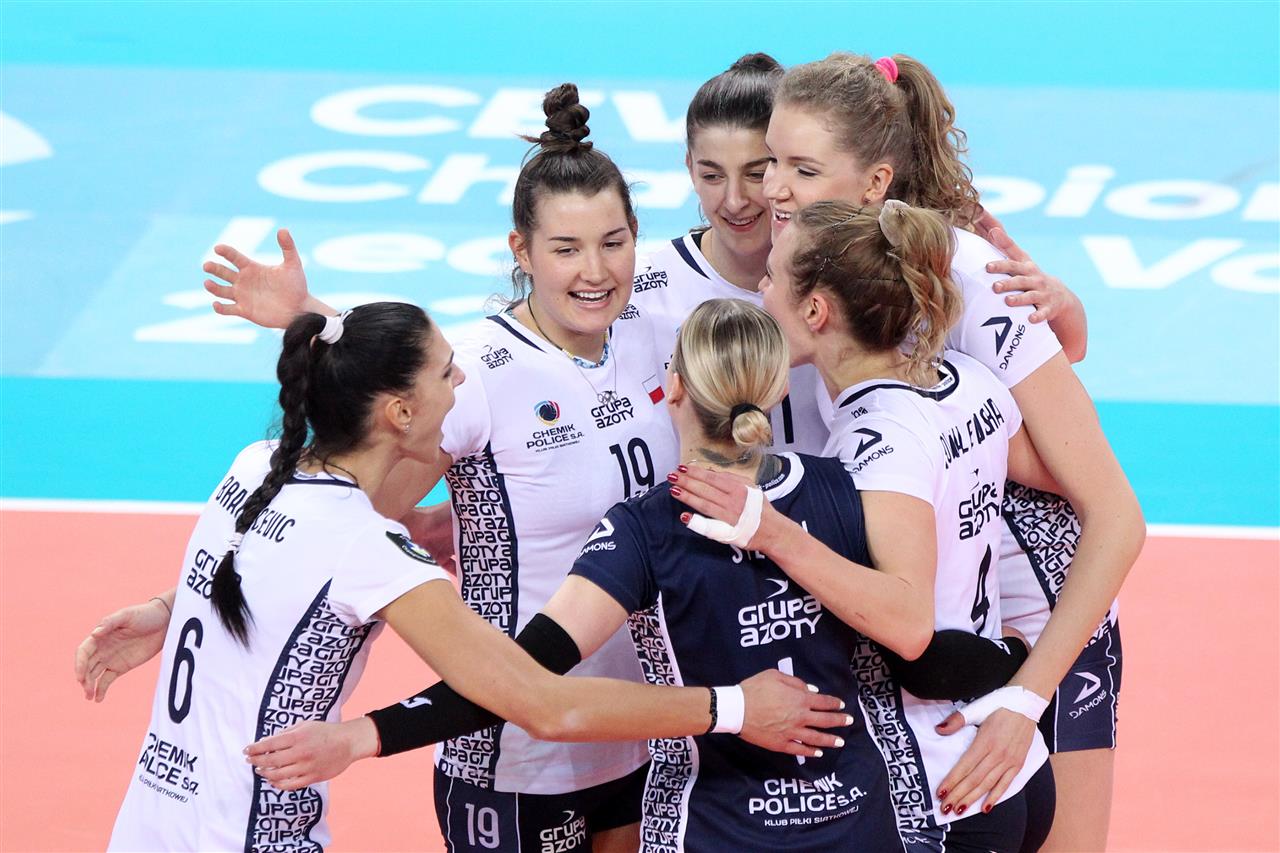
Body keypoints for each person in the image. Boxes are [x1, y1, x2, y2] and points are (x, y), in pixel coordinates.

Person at [86, 302, 843, 852]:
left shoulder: (256, 469)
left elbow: (260, 569)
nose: (463, 382)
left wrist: (172, 604)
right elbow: (543, 703)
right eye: (449, 371)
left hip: (150, 825)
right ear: (401, 412)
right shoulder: (370, 549)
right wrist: (735, 706)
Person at [189, 83, 691, 851]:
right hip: (516, 754)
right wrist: (175, 602)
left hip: (642, 730)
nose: (595, 270)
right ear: (521, 251)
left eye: (614, 242)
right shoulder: (477, 373)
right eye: (565, 248)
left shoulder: (655, 329)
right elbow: (347, 508)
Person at [760, 53, 1145, 849]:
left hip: (1045, 624)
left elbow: (1115, 514)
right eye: (772, 162)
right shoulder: (821, 283)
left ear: (875, 182)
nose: (773, 189)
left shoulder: (963, 273)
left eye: (802, 168)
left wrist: (1026, 698)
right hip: (943, 642)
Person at [671, 202, 1060, 852]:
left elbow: (910, 628)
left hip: (940, 785)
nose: (759, 289)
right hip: (1008, 760)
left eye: (771, 277)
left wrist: (773, 533)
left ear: (816, 311)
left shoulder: (878, 439)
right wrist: (1011, 660)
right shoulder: (965, 380)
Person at [629, 53, 828, 454]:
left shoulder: (846, 279)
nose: (734, 201)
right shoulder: (639, 295)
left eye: (755, 173)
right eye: (712, 175)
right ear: (689, 168)